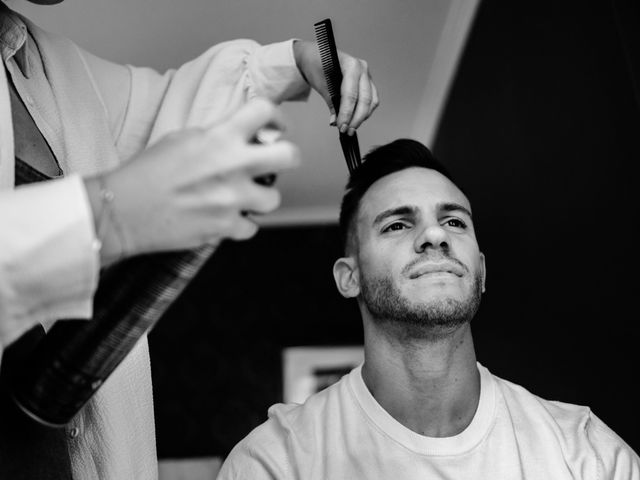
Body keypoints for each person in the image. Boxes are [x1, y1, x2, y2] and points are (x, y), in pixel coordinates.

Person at [0, 0, 378, 477]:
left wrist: (299, 61)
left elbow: (167, 105)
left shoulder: (51, 67)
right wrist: (107, 215)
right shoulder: (277, 456)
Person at [217, 139, 640, 480]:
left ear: (481, 270)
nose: (435, 234)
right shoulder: (276, 462)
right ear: (350, 277)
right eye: (397, 224)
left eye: (455, 221)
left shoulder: (585, 454)